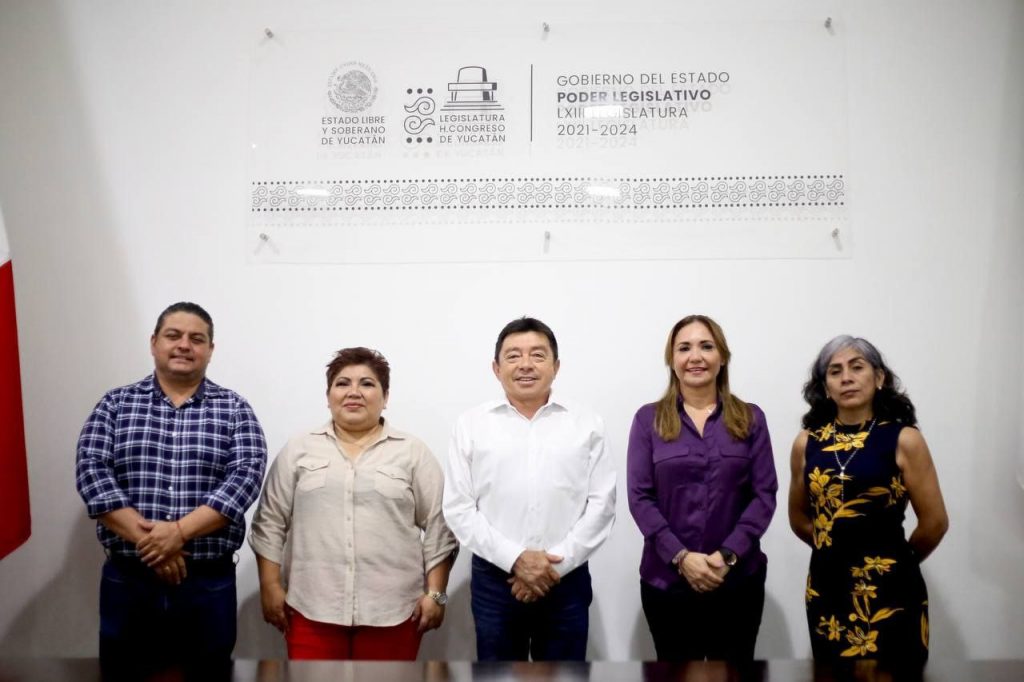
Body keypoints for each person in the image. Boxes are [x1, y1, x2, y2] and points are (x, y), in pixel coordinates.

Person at [75, 302, 267, 679]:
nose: (184, 345)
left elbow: (244, 479)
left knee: (208, 676)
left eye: (197, 339)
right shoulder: (115, 404)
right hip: (129, 578)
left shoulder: (235, 409)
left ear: (210, 349)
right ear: (154, 343)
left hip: (207, 583)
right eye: (173, 335)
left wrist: (178, 533)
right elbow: (92, 473)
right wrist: (153, 544)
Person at [249, 347, 457, 660]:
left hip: (395, 612)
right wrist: (269, 585)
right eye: (342, 383)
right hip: (311, 609)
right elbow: (269, 521)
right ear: (328, 395)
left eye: (367, 384)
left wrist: (436, 594)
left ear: (385, 397)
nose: (354, 392)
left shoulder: (412, 452)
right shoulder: (299, 449)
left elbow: (440, 525)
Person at [443, 317, 616, 661]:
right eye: (513, 356)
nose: (525, 364)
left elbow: (602, 504)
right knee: (498, 677)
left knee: (565, 677)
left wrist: (552, 568)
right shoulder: (471, 425)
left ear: (556, 366)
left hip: (566, 579)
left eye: (538, 355)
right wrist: (516, 559)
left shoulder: (587, 423)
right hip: (495, 582)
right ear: (496, 368)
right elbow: (459, 507)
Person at [788, 336, 949, 664]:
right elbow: (799, 518)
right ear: (825, 387)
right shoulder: (807, 442)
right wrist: (833, 550)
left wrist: (896, 562)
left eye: (856, 367)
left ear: (879, 378)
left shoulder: (904, 439)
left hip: (891, 589)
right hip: (828, 588)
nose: (846, 378)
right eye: (835, 371)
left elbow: (934, 523)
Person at [627, 314, 778, 662]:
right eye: (684, 348)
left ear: (722, 356)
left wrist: (727, 555)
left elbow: (764, 494)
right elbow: (640, 497)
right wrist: (681, 557)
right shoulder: (648, 420)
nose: (695, 357)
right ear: (672, 360)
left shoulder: (751, 418)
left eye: (706, 346)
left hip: (737, 580)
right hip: (667, 582)